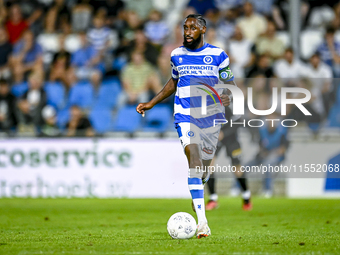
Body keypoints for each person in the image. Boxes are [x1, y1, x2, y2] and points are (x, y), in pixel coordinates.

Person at [136, 14, 234, 238]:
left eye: (192, 28)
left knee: (204, 169)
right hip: (185, 115)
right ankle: (203, 223)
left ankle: (198, 189)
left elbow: (230, 84)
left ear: (202, 29)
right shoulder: (177, 55)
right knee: (195, 160)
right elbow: (173, 81)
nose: (187, 32)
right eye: (185, 28)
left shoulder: (218, 55)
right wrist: (151, 102)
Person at [206, 107, 252, 211]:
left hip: (231, 140)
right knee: (209, 166)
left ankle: (246, 197)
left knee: (237, 169)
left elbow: (238, 122)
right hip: (216, 138)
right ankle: (213, 199)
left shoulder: (229, 107)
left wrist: (224, 133)